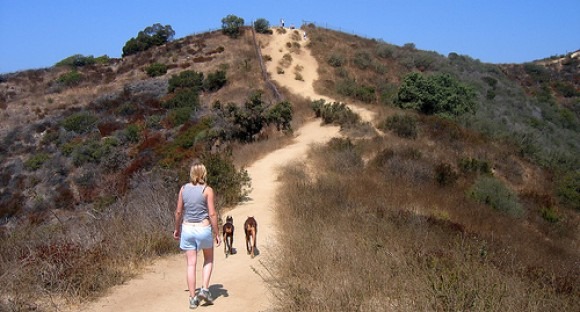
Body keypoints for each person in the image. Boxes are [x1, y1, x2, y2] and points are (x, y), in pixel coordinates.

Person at [174, 160, 222, 309]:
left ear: (191, 173)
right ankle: (205, 289)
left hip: (187, 228)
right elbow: (212, 213)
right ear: (203, 173)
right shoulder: (207, 190)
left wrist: (177, 229)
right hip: (203, 228)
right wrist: (217, 232)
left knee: (191, 264)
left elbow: (178, 211)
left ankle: (192, 298)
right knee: (208, 258)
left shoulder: (183, 189)